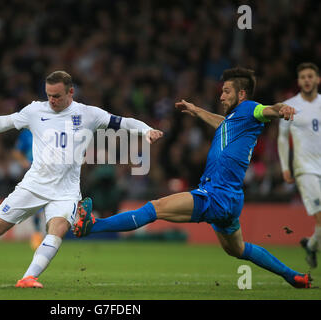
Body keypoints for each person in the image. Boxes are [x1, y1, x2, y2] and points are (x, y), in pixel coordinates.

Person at [73, 67, 312, 288]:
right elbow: (222, 124)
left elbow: (271, 109)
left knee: (154, 208)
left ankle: (93, 226)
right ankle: (294, 277)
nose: (221, 96)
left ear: (241, 94)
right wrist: (197, 111)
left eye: (226, 92)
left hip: (215, 195)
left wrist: (284, 109)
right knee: (237, 250)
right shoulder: (236, 121)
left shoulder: (250, 108)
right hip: (231, 198)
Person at [0, 70, 163, 288]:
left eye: (57, 96)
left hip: (66, 191)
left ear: (70, 92)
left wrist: (146, 130)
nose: (52, 100)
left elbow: (123, 122)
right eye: (49, 95)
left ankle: (28, 278)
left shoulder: (88, 114)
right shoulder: (35, 110)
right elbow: (4, 122)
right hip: (34, 185)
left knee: (58, 230)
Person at [278, 62, 321, 269]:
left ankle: (311, 245)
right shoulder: (290, 106)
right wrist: (285, 167)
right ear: (298, 81)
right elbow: (283, 138)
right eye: (303, 77)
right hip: (305, 169)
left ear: (318, 79)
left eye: (310, 76)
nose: (307, 80)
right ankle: (312, 246)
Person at [12, 128, 44, 250]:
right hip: (32, 172)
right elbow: (16, 152)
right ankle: (37, 234)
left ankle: (48, 234)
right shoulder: (27, 133)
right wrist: (23, 161)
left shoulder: (51, 127)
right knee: (35, 203)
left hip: (51, 171)